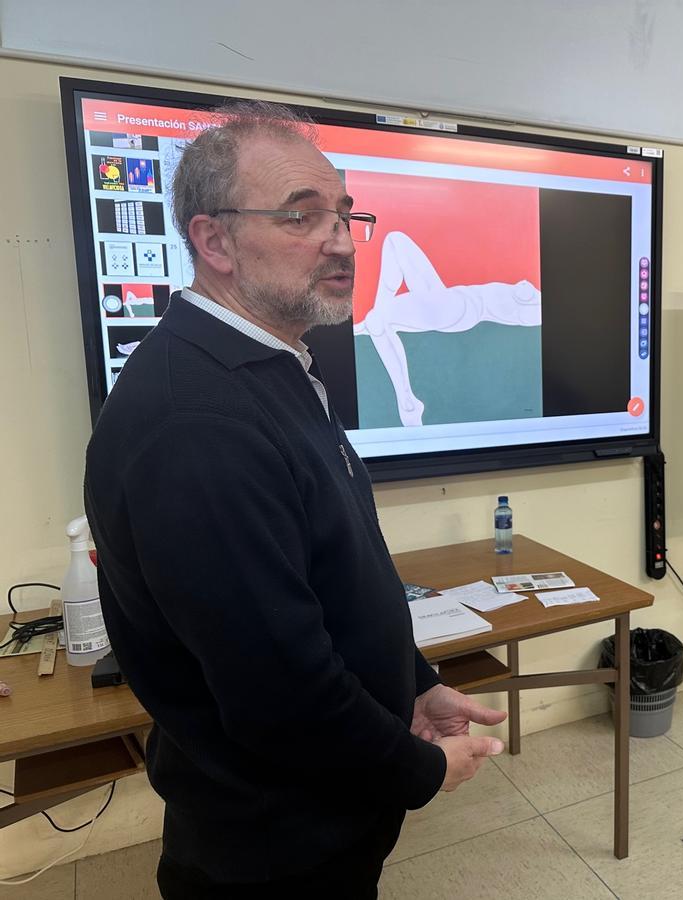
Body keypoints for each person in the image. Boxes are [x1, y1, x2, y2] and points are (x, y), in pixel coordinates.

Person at [83, 100, 506, 900]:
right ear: (215, 242)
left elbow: (328, 586)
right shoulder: (196, 424)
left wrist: (411, 684)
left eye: (346, 215)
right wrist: (419, 767)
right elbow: (280, 691)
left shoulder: (268, 367)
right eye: (301, 217)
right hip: (272, 847)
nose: (342, 241)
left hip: (316, 816)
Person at [356, 230, 542, 426]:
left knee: (377, 317)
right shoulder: (529, 301)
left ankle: (406, 400)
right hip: (455, 303)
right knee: (394, 243)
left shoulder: (532, 305)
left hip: (456, 307)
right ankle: (406, 399)